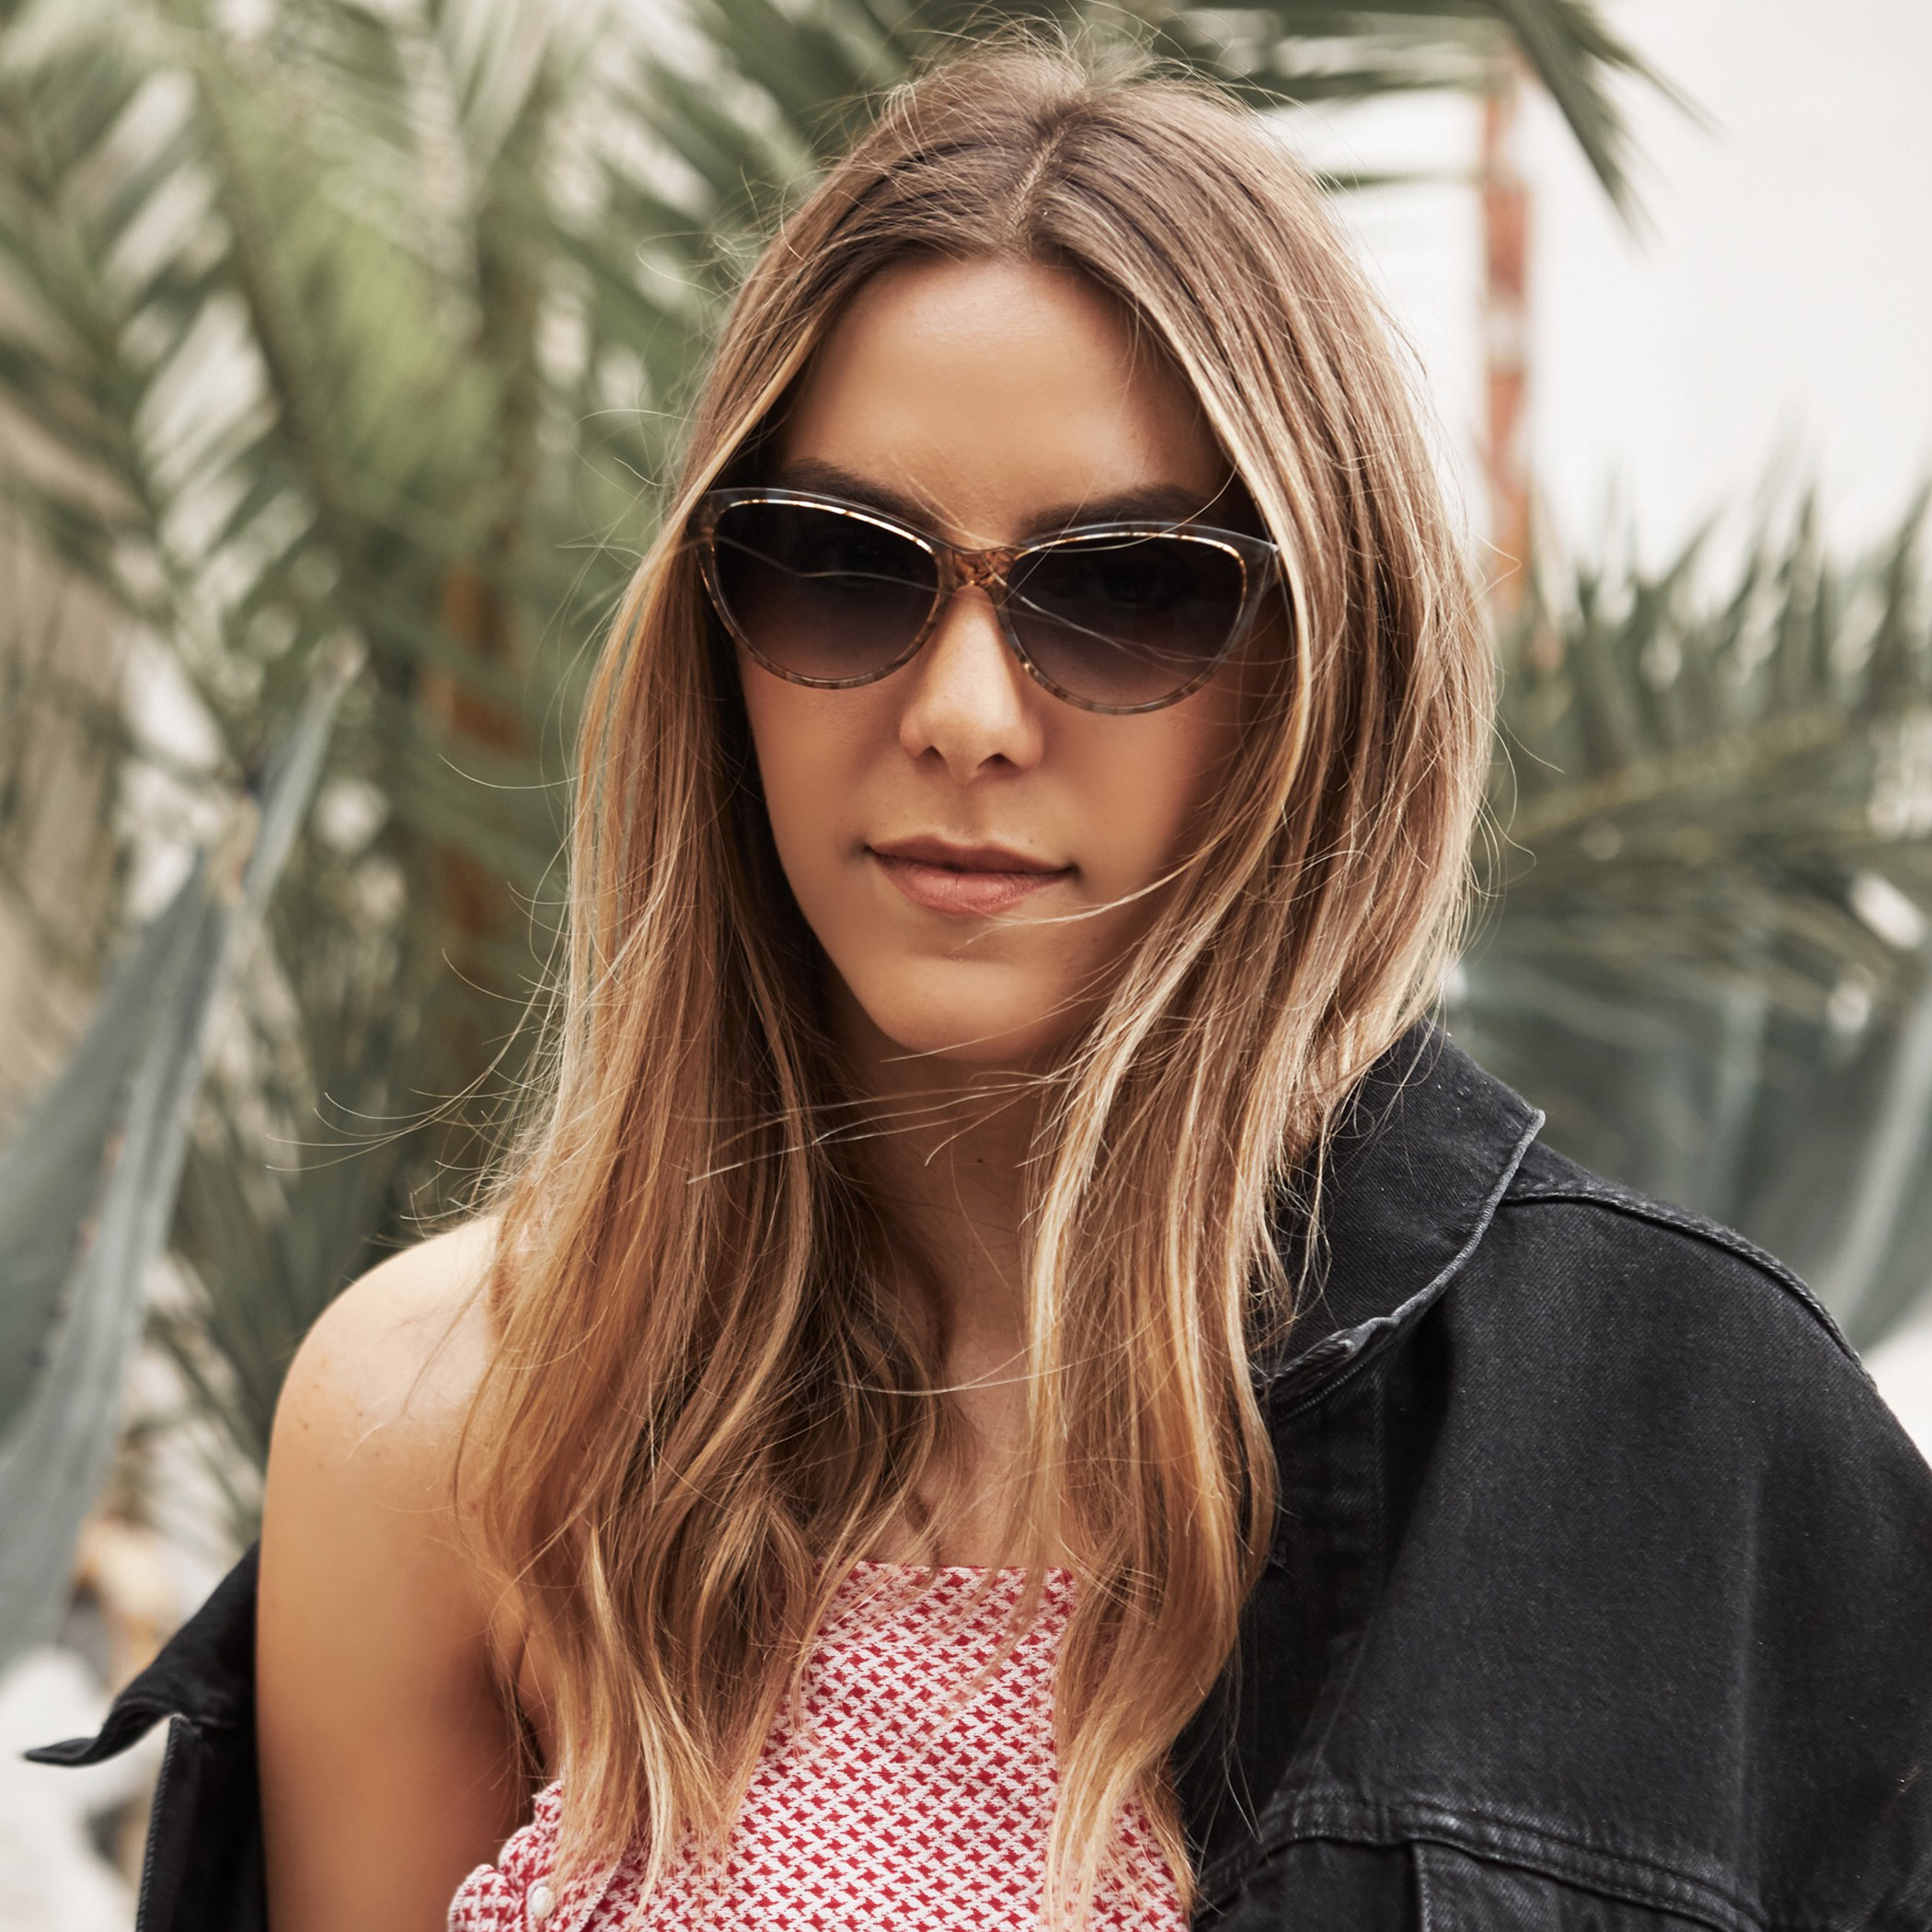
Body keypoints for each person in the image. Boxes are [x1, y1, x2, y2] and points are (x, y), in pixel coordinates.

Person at [33, 40, 1932, 1932]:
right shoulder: (446, 1431)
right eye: (842, 569)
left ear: (1324, 672)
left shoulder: (1684, 1443)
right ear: (714, 635)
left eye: (1131, 592)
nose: (960, 715)